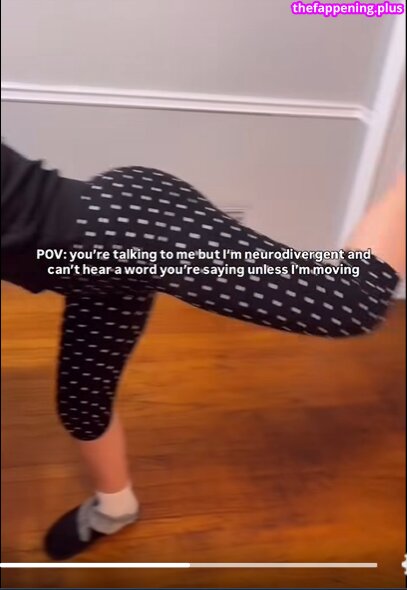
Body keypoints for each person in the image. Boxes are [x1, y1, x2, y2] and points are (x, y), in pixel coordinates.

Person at [1, 141, 405, 560]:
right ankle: (116, 509)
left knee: (349, 301)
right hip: (91, 266)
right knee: (81, 407)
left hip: (131, 230)